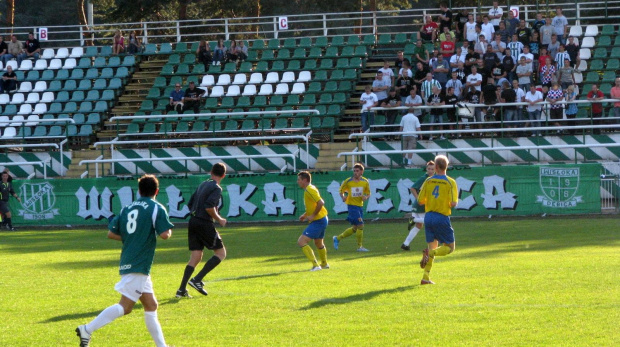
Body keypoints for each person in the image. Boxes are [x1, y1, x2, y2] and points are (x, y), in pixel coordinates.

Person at [76, 174, 173, 347]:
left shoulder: (127, 208)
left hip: (130, 260)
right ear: (157, 191)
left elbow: (111, 233)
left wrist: (133, 238)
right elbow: (165, 234)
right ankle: (87, 329)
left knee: (151, 305)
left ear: (139, 190)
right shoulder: (156, 207)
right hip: (139, 263)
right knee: (125, 307)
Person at [176, 163, 228, 297]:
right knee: (221, 253)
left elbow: (190, 204)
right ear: (223, 175)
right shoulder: (216, 188)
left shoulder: (202, 184)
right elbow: (209, 207)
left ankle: (181, 290)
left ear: (211, 172)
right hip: (203, 222)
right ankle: (197, 279)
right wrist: (219, 218)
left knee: (196, 256)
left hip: (193, 221)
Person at [418, 155, 458, 285]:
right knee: (450, 247)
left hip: (428, 217)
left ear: (435, 167)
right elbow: (453, 203)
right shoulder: (450, 182)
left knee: (432, 245)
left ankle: (425, 277)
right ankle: (430, 253)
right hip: (441, 217)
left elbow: (420, 201)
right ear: (447, 166)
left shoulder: (428, 181)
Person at [333, 164, 370, 252]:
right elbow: (341, 190)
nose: (355, 173)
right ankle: (360, 247)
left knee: (355, 228)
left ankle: (337, 238)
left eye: (357, 171)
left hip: (360, 206)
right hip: (352, 206)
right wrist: (343, 197)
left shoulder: (365, 182)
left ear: (361, 172)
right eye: (354, 171)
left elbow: (368, 193)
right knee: (361, 225)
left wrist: (366, 197)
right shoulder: (348, 181)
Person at [297, 171, 329, 271]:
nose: (298, 182)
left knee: (301, 241)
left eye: (299, 179)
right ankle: (324, 264)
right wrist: (306, 215)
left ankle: (316, 266)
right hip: (322, 219)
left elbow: (321, 202)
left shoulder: (310, 189)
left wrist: (313, 215)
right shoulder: (310, 189)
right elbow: (314, 205)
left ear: (305, 180)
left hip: (318, 220)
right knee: (318, 243)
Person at [402, 161, 435, 251]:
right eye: (429, 169)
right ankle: (413, 219)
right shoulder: (424, 178)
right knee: (430, 222)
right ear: (426, 169)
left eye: (432, 169)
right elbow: (412, 188)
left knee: (419, 226)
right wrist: (418, 198)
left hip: (419, 204)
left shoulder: (432, 179)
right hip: (421, 205)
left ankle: (405, 244)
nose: (430, 171)